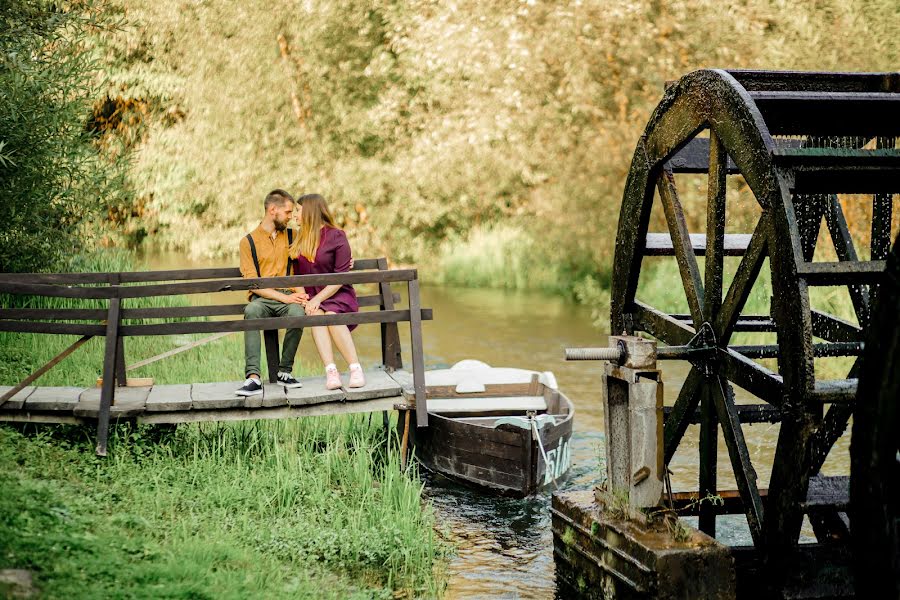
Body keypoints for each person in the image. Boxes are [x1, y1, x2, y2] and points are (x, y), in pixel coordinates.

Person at [235, 189, 308, 396]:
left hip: (289, 297)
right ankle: (253, 378)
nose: (290, 217)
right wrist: (286, 297)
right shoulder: (248, 242)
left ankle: (284, 372)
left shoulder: (293, 236)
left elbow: (315, 255)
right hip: (263, 299)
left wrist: (343, 261)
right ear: (272, 210)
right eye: (287, 212)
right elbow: (253, 284)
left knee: (297, 313)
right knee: (251, 311)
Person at [290, 193, 365, 390]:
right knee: (316, 316)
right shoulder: (300, 239)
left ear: (310, 211)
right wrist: (305, 299)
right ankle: (331, 372)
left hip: (337, 294)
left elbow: (340, 277)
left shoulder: (336, 235)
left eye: (298, 210)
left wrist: (317, 299)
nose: (294, 215)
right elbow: (295, 274)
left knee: (331, 315)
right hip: (313, 298)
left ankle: (355, 368)